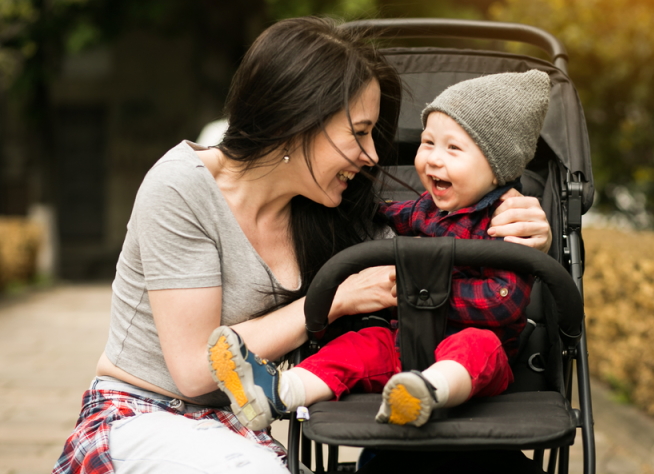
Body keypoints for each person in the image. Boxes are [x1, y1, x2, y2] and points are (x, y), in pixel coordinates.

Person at [53, 16, 553, 474]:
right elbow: (192, 372)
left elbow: (437, 252)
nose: (372, 155)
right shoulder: (182, 188)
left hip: (238, 429)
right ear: (300, 118)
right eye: (359, 133)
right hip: (141, 416)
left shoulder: (330, 206)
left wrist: (526, 233)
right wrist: (332, 300)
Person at [207, 69, 551, 431]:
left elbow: (502, 301)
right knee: (360, 345)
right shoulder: (425, 209)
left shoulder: (507, 224)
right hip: (404, 341)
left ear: (498, 169)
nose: (433, 158)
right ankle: (279, 392)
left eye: (453, 148)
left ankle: (427, 392)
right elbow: (384, 213)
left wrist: (418, 295)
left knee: (477, 347)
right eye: (427, 143)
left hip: (473, 354)